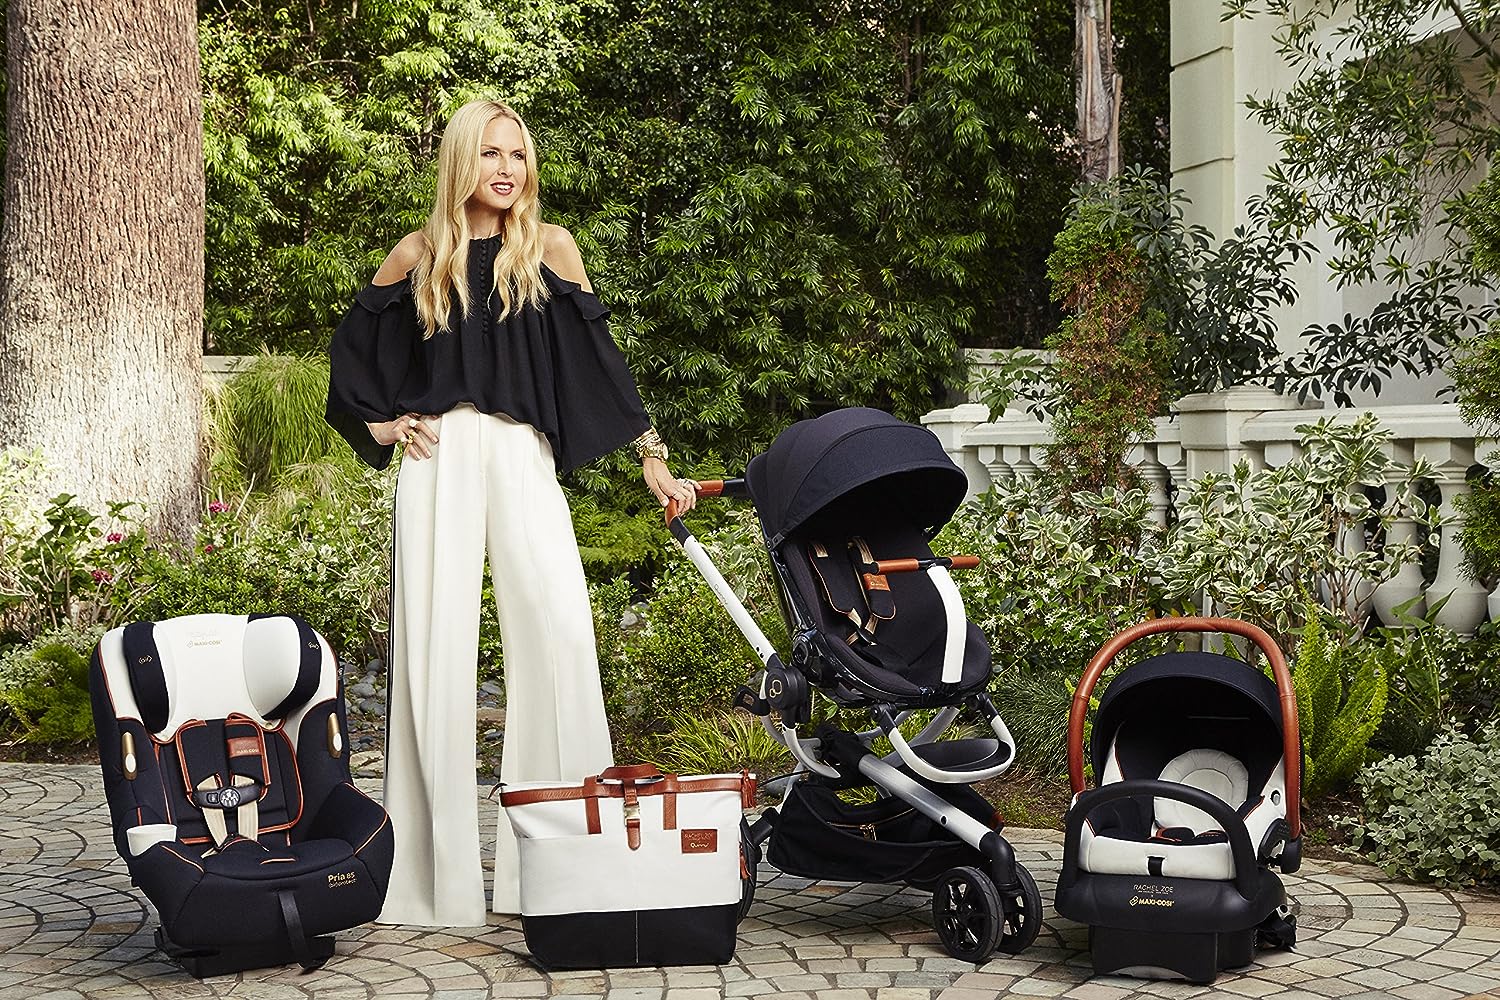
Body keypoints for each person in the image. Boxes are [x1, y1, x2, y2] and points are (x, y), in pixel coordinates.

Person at [324, 98, 698, 926]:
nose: (506, 168)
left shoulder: (549, 248)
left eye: (518, 155)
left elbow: (599, 361)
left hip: (523, 455)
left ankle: (565, 870)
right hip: (438, 459)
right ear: (463, 160)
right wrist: (381, 426)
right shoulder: (419, 254)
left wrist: (652, 455)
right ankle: (434, 885)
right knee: (433, 655)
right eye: (492, 153)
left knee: (560, 634)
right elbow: (351, 359)